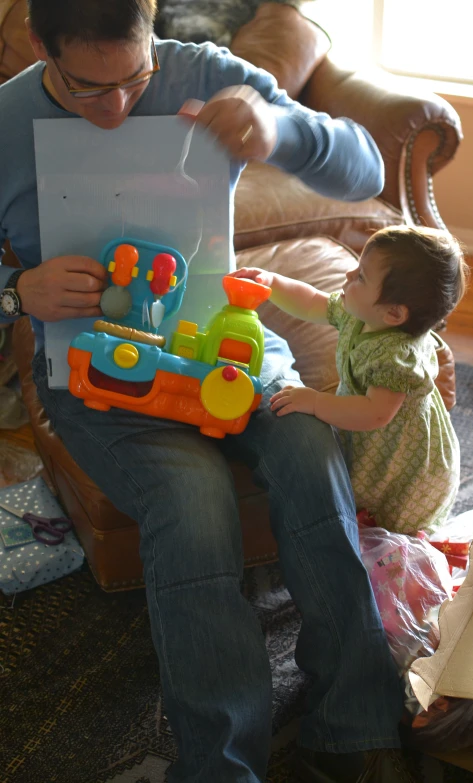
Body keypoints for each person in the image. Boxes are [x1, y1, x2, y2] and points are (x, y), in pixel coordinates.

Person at [0, 2, 413, 781]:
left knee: (306, 444)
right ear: (36, 43)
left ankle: (355, 727)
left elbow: (364, 167)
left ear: (151, 24)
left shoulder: (205, 72)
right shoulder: (5, 120)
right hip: (103, 376)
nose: (118, 110)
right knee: (192, 499)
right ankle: (221, 766)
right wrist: (18, 290)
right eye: (88, 88)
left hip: (227, 351)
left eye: (135, 78)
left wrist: (279, 128)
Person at [233, 226, 468, 534]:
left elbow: (375, 412)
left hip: (405, 466)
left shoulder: (396, 357)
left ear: (395, 314)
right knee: (359, 505)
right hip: (371, 441)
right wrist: (272, 283)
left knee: (390, 532)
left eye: (361, 277)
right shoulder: (359, 313)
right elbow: (311, 302)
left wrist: (316, 401)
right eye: (357, 265)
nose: (347, 274)